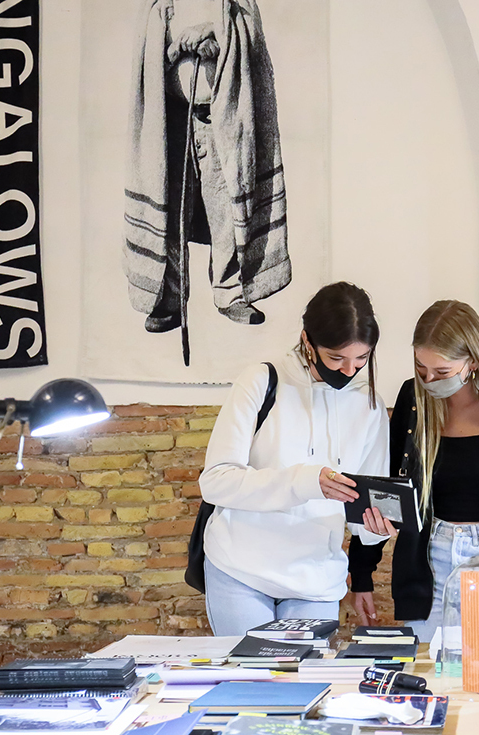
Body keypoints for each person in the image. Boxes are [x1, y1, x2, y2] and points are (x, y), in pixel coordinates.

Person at [348, 300, 479, 642]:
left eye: (442, 372)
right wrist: (362, 571)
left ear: (472, 360)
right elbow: (387, 487)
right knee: (431, 675)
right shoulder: (413, 400)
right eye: (421, 367)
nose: (429, 380)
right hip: (429, 561)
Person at [198, 282, 388, 635]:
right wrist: (305, 481)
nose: (349, 371)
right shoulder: (262, 381)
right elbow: (216, 481)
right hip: (240, 569)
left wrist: (377, 529)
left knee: (303, 684)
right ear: (307, 341)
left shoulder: (370, 406)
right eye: (336, 358)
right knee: (251, 684)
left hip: (315, 580)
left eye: (361, 359)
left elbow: (363, 507)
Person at [123, 0, 291, 333]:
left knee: (226, 210)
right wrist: (175, 49)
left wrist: (215, 33)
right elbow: (148, 57)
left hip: (219, 124)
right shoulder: (159, 3)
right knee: (171, 211)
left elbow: (250, 40)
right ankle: (168, 300)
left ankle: (230, 294)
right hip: (171, 124)